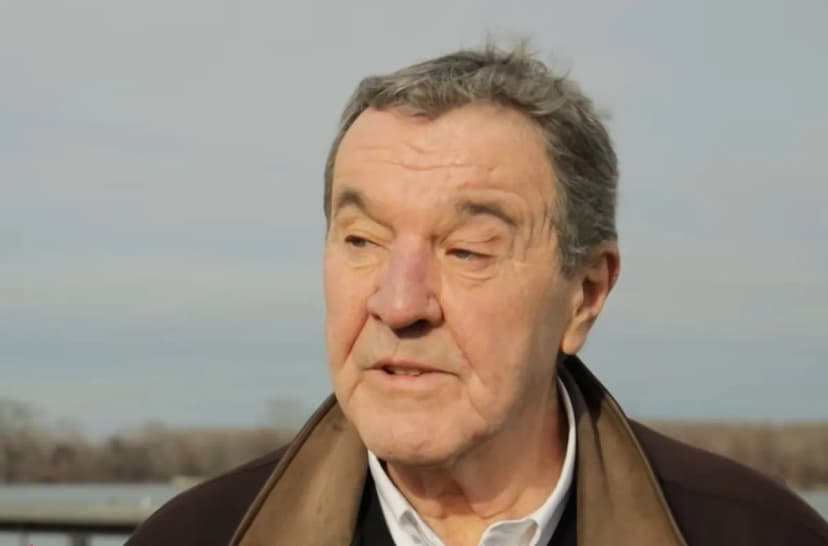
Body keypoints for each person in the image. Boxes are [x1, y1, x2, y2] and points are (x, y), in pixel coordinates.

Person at [126, 43, 828, 546]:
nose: (399, 304)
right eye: (362, 240)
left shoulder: (759, 534)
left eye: (466, 250)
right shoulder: (193, 537)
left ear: (585, 294)